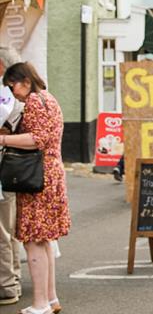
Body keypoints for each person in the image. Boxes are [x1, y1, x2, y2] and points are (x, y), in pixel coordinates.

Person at [1, 63, 70, 314]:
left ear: (26, 82)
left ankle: (40, 303)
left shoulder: (34, 102)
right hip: (51, 173)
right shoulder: (48, 99)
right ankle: (50, 300)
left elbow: (37, 139)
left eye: (13, 85)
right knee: (44, 239)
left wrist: (4, 139)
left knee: (33, 241)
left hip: (37, 177)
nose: (13, 92)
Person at [0, 47, 23, 307]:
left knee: (4, 231)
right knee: (8, 230)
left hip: (5, 166)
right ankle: (12, 279)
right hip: (12, 168)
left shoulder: (9, 98)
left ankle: (7, 286)